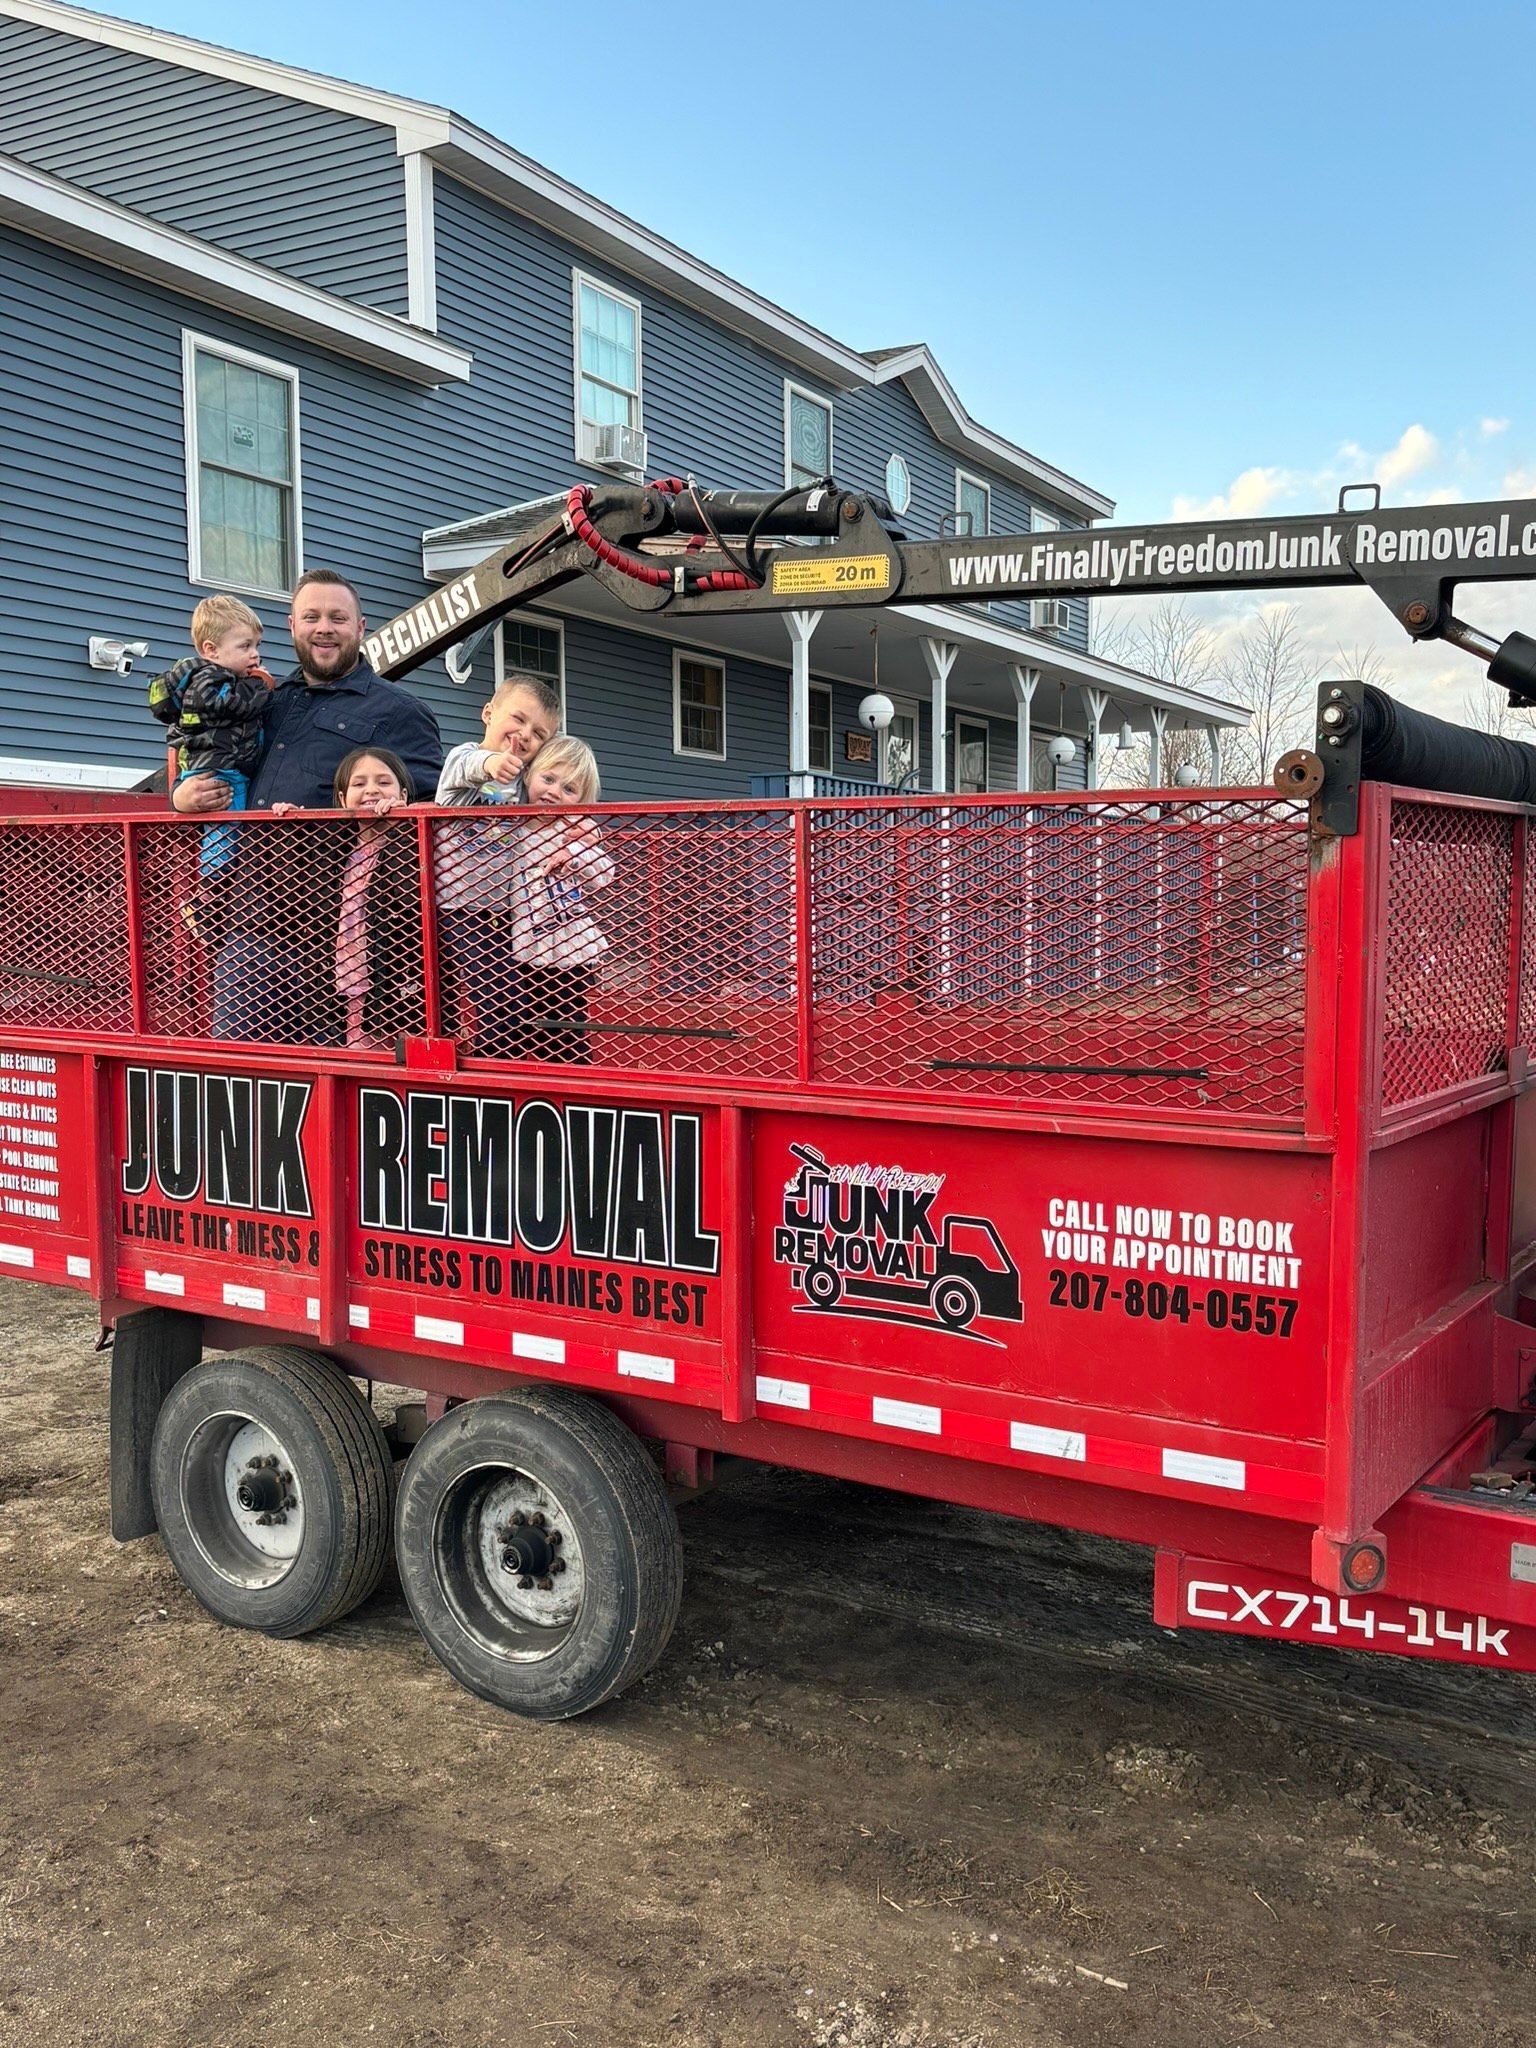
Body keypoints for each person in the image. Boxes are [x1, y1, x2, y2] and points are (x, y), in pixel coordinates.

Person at [172, 570, 443, 1044]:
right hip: (249, 931)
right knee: (242, 1083)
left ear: (360, 628)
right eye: (312, 617)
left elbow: (423, 818)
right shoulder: (264, 703)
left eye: (338, 618)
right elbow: (204, 757)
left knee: (334, 1098)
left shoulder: (400, 711)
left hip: (341, 942)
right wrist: (181, 797)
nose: (325, 627)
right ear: (292, 625)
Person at [432, 673, 561, 1055]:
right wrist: (491, 764)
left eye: (538, 734)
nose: (524, 735)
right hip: (459, 906)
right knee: (496, 997)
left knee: (516, 995)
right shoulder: (464, 758)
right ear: (488, 712)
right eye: (517, 719)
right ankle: (498, 1063)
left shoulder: (527, 784)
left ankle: (510, 1055)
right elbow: (471, 766)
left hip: (508, 908)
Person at [287, 747, 424, 1052]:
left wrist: (399, 827)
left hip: (388, 980)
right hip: (336, 976)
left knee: (379, 1060)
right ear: (341, 798)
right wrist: (288, 821)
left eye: (383, 782)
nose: (372, 790)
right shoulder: (332, 847)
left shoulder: (413, 840)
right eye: (359, 784)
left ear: (402, 793)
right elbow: (294, 884)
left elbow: (409, 896)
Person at [147, 594, 274, 877]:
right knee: (227, 822)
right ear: (211, 649)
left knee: (225, 824)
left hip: (216, 761)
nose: (255, 654)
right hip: (220, 766)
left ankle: (217, 873)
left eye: (256, 646)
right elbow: (230, 705)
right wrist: (259, 686)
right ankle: (214, 880)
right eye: (245, 646)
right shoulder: (210, 678)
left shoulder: (216, 678)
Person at [507, 736, 613, 1064]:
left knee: (566, 1024)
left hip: (569, 948)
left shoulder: (573, 831)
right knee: (522, 1022)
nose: (554, 791)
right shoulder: (512, 827)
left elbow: (605, 873)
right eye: (548, 779)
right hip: (524, 942)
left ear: (581, 799)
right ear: (528, 775)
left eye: (569, 789)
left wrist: (575, 853)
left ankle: (573, 1079)